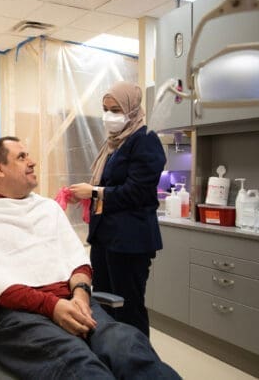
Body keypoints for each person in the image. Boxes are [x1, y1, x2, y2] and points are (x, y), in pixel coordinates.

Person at [0, 136, 179, 379]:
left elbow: (77, 260)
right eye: (21, 157)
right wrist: (52, 307)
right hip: (16, 315)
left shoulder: (47, 208)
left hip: (73, 302)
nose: (32, 162)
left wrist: (81, 294)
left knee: (128, 347)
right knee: (80, 364)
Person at [69, 81, 166, 338]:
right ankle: (112, 356)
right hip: (106, 237)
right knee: (103, 304)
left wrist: (93, 192)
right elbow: (109, 186)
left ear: (132, 110)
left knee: (127, 307)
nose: (109, 116)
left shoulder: (145, 141)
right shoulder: (115, 144)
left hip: (130, 241)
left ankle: (137, 363)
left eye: (116, 109)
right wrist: (89, 195)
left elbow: (137, 191)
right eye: (105, 109)